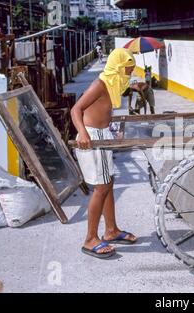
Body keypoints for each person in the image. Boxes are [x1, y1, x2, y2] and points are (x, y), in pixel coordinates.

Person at [71, 48, 137, 259]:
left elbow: (105, 111)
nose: (128, 74)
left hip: (103, 135)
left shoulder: (113, 85)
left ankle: (111, 230)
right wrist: (82, 133)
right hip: (91, 137)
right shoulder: (100, 84)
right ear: (116, 67)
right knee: (101, 187)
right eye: (127, 70)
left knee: (108, 182)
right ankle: (90, 239)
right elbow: (76, 109)